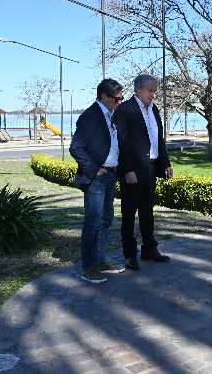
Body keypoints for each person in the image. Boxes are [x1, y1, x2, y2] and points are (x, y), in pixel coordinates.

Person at [69, 79, 126, 282]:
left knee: (105, 220)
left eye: (121, 98)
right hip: (97, 178)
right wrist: (94, 169)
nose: (120, 102)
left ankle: (100, 261)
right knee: (93, 222)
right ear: (103, 95)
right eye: (116, 99)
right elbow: (76, 148)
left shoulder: (110, 114)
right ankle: (88, 267)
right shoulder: (91, 116)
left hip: (111, 174)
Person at [115, 74, 174, 270]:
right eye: (150, 90)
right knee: (129, 214)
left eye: (155, 91)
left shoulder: (154, 109)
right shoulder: (124, 109)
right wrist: (127, 170)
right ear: (138, 88)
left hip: (151, 168)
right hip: (132, 171)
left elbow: (158, 140)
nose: (153, 94)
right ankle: (130, 254)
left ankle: (149, 248)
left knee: (147, 211)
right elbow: (121, 143)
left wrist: (166, 164)